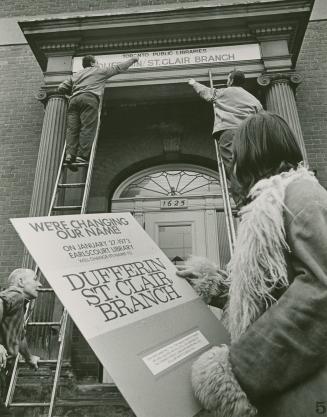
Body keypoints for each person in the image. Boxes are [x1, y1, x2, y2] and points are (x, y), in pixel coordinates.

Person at [177, 111, 327, 417]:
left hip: (305, 389)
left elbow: (320, 290)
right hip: (286, 381)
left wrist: (240, 370)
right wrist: (216, 285)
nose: (231, 166)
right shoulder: (274, 202)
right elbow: (275, 289)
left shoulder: (301, 195)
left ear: (251, 154)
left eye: (234, 155)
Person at [188, 70, 262, 204]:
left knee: (232, 165)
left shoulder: (225, 92)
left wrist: (194, 83)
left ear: (231, 80)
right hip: (247, 134)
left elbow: (207, 93)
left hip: (228, 132)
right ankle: (254, 194)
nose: (227, 81)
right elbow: (261, 116)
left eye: (228, 79)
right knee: (247, 163)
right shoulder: (253, 99)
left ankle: (242, 201)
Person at [58, 54, 139, 167]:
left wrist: (71, 94)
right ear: (92, 63)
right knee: (87, 127)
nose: (98, 64)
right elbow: (118, 68)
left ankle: (69, 155)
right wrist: (133, 59)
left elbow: (61, 88)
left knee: (72, 129)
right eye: (96, 62)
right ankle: (81, 156)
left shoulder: (76, 75)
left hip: (74, 101)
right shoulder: (98, 71)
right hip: (89, 99)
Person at [0, 268, 41, 416]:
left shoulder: (20, 304)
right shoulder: (15, 294)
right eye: (35, 279)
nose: (40, 284)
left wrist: (29, 357)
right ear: (21, 282)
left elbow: (20, 336)